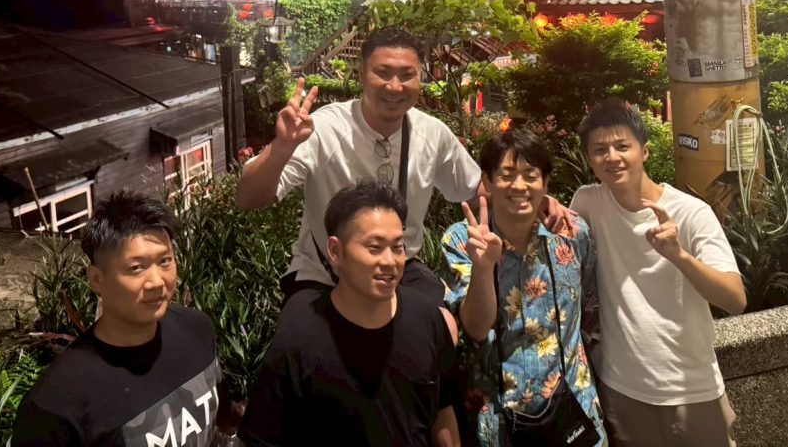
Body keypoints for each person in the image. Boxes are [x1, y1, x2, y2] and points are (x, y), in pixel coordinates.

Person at [236, 25, 569, 304]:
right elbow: (248, 198)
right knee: (302, 342)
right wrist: (282, 147)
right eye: (383, 73)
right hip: (325, 273)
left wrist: (534, 200)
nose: (395, 87)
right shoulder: (324, 128)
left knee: (443, 328)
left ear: (419, 78)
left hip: (398, 270)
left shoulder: (432, 134)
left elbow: (477, 192)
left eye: (407, 75)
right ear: (361, 74)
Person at [570, 99, 746, 447]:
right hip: (622, 391)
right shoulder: (589, 202)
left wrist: (679, 256)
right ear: (590, 159)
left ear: (645, 151)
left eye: (623, 146)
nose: (612, 157)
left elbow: (734, 299)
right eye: (600, 150)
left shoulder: (691, 213)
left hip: (692, 391)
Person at [237, 180, 461, 446]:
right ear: (335, 251)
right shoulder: (299, 338)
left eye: (398, 247)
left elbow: (443, 411)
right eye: (374, 247)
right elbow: (263, 437)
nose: (389, 261)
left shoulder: (427, 319)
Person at [13, 191, 230, 446]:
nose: (157, 281)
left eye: (165, 261)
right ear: (97, 279)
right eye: (136, 268)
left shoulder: (197, 330)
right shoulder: (56, 406)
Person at [440, 129, 606, 447]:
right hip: (497, 420)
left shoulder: (572, 232)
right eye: (506, 175)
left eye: (531, 176)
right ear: (487, 182)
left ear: (545, 183)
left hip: (575, 412)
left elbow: (589, 308)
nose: (519, 186)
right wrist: (483, 267)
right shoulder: (462, 241)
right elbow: (475, 329)